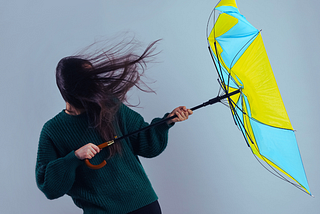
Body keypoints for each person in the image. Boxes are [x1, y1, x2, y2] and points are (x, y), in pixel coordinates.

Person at [35, 39, 193, 214]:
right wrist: (75, 157)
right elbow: (49, 187)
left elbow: (145, 143)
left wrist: (167, 122)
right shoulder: (53, 130)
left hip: (144, 204)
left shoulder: (110, 107)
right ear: (70, 89)